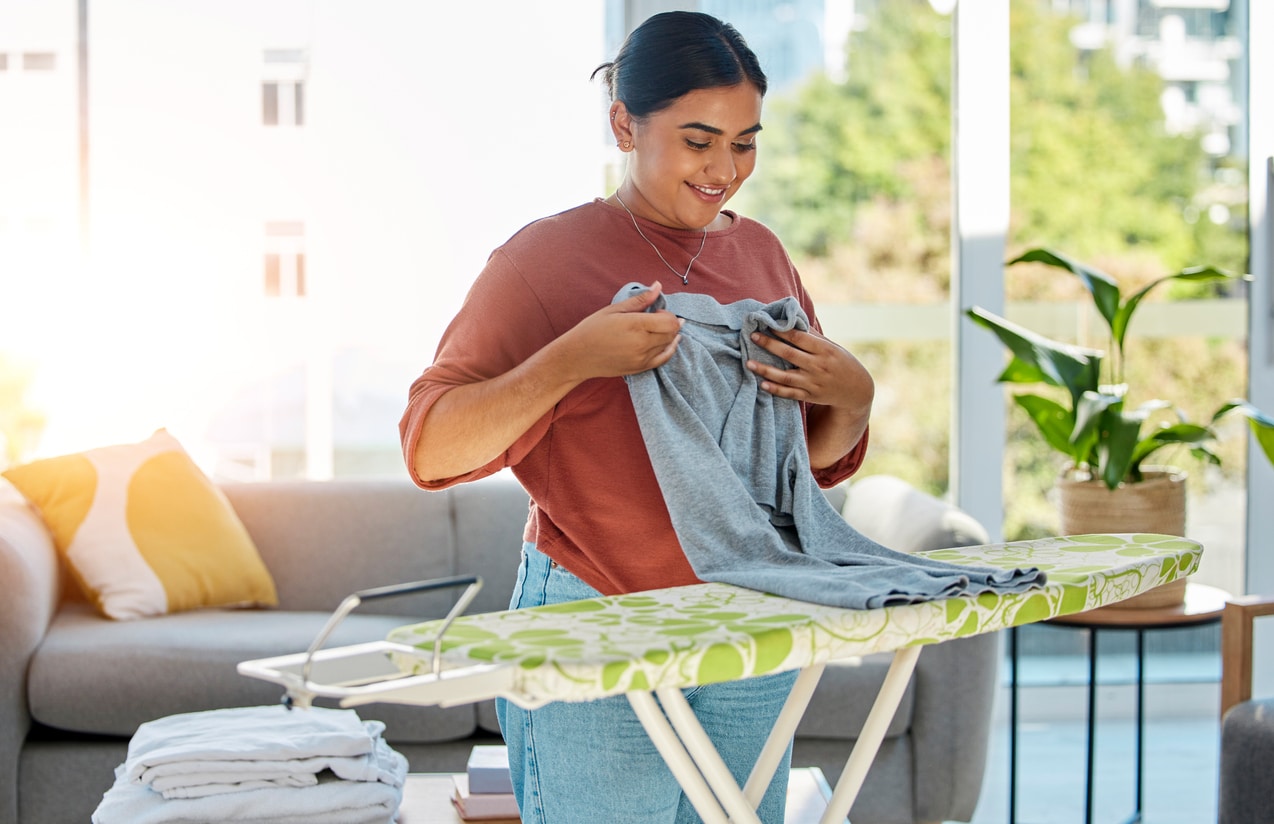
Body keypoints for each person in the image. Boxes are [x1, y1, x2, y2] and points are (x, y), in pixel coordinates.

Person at [399, 11, 874, 824]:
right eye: (698, 141)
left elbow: (808, 469)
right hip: (598, 617)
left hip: (752, 617)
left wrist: (853, 399)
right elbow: (430, 447)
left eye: (745, 141)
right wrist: (571, 360)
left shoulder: (761, 253)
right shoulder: (541, 262)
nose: (725, 168)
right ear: (625, 123)